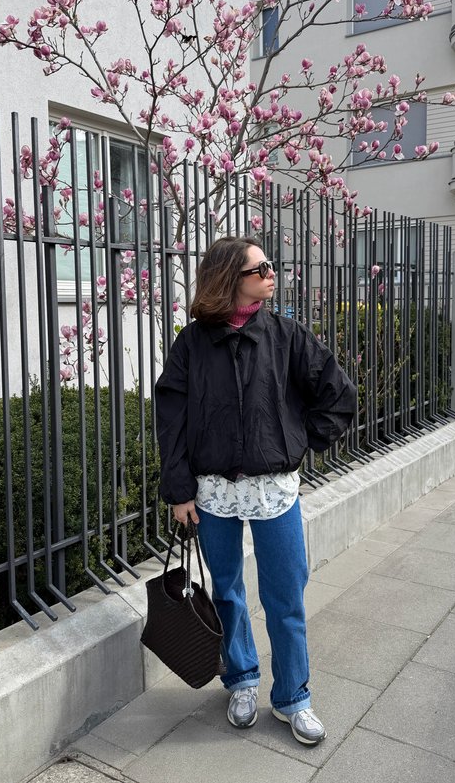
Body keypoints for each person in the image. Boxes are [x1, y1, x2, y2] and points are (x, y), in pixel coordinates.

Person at [155, 236, 357, 746]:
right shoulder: (192, 344)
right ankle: (241, 679)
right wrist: (180, 491)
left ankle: (293, 697)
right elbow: (171, 419)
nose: (272, 273)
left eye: (270, 265)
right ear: (231, 279)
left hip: (275, 493)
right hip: (213, 493)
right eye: (260, 267)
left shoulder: (287, 335)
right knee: (226, 591)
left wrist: (300, 441)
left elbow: (339, 393)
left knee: (286, 596)